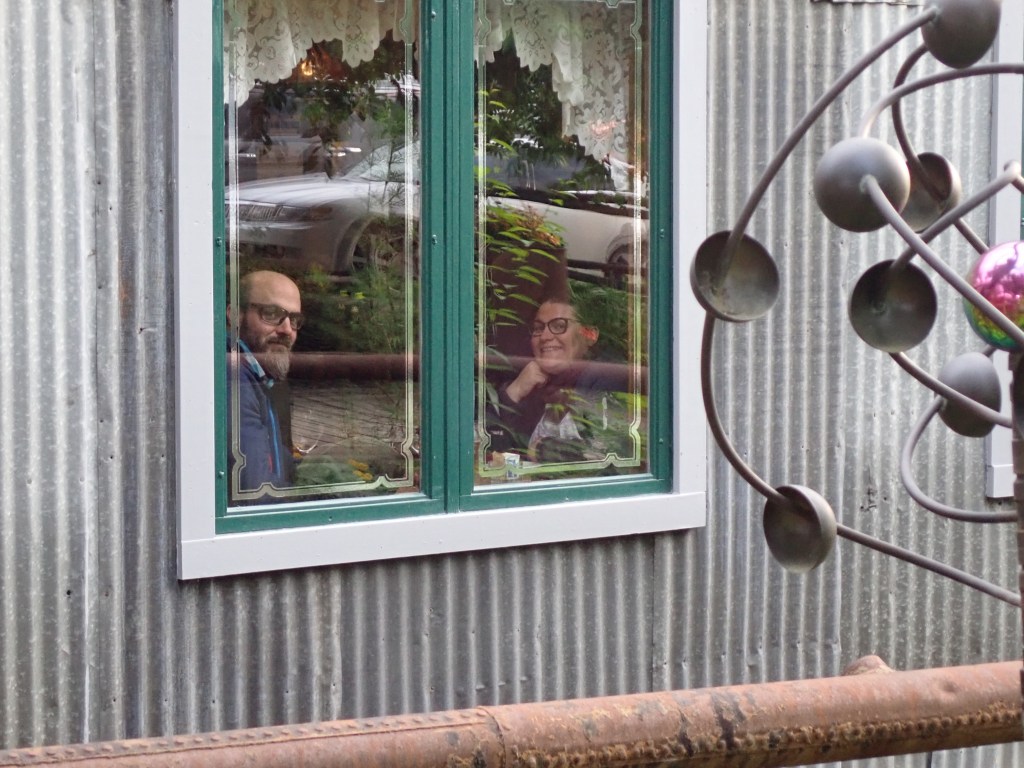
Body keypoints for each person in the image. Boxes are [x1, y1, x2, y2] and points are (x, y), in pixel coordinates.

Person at [486, 297, 610, 463]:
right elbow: (489, 450)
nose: (544, 336)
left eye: (559, 326)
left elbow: (609, 453)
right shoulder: (534, 388)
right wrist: (514, 392)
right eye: (538, 328)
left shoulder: (606, 382)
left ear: (590, 335)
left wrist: (541, 449)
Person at [228, 270, 304, 497]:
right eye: (271, 314)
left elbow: (272, 455)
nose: (287, 330)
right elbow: (257, 494)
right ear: (235, 315)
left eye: (294, 320)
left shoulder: (254, 375)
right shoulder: (234, 381)